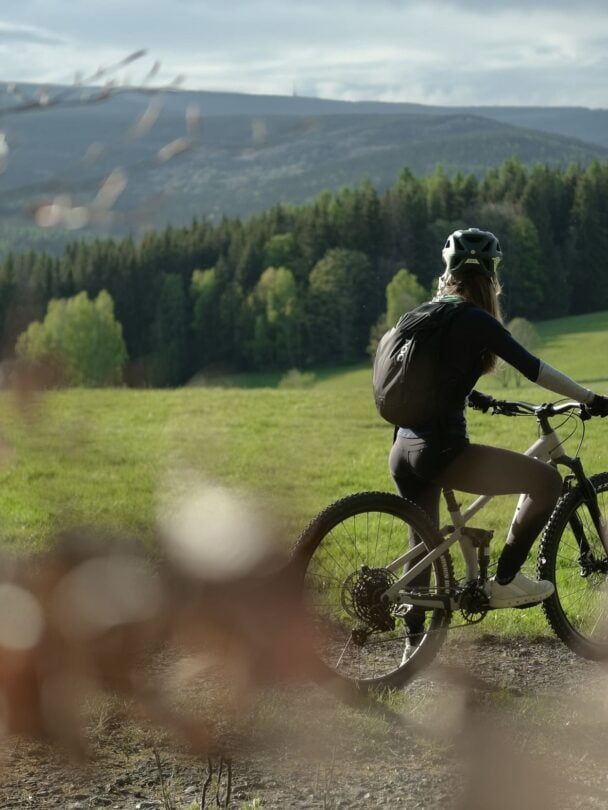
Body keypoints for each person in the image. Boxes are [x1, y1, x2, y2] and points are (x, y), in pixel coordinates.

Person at [388, 227, 608, 646]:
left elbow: (432, 378)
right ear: (491, 277)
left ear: (448, 272)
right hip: (441, 451)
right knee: (547, 482)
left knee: (423, 552)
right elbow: (533, 367)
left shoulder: (425, 315)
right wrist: (591, 398)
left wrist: (479, 398)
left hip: (403, 448)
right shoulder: (474, 319)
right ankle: (505, 580)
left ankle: (411, 652)